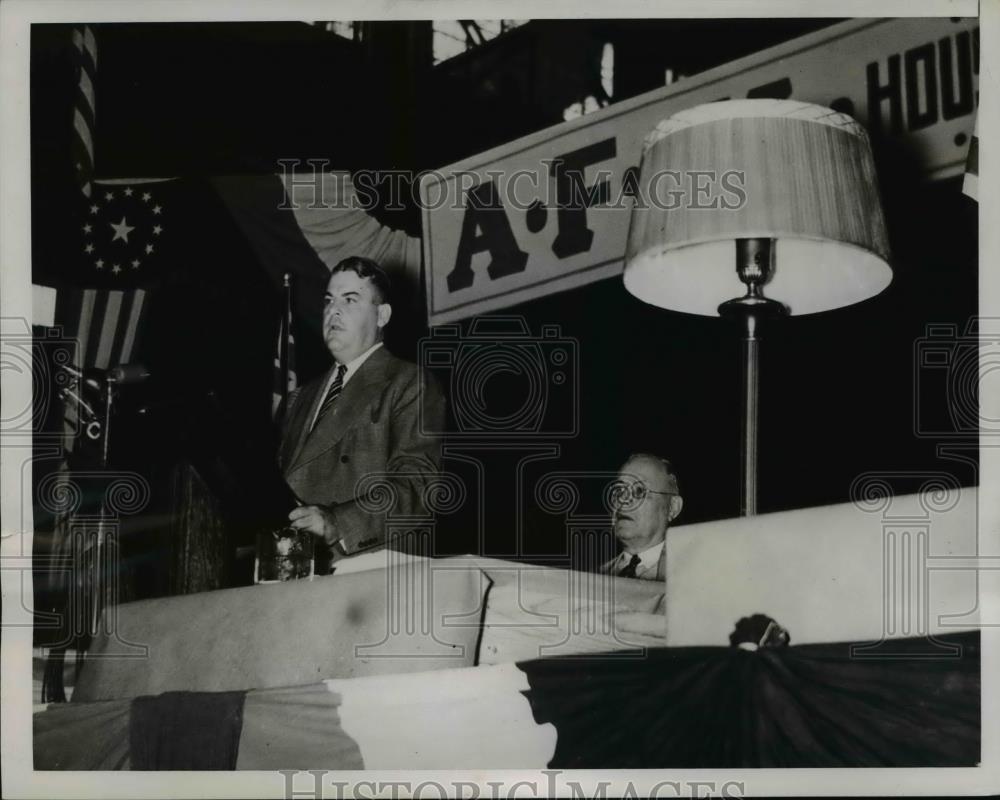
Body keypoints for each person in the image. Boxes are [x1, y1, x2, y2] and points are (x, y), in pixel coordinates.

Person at [278, 256, 446, 567]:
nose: (334, 310)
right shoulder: (300, 397)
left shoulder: (409, 382)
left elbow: (420, 486)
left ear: (382, 315)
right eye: (329, 300)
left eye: (350, 299)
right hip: (296, 567)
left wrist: (337, 523)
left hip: (369, 565)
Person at [602, 453, 683, 580]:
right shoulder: (591, 577)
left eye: (639, 491)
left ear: (673, 507)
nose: (623, 500)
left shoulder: (691, 576)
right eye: (619, 491)